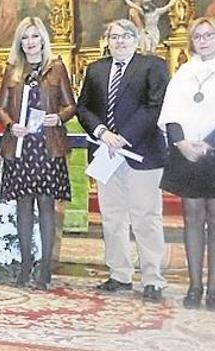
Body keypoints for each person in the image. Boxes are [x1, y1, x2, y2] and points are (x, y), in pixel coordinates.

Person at [158, 17, 215, 311]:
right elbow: (170, 111)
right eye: (198, 36)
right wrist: (183, 144)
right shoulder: (185, 71)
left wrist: (209, 145)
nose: (203, 40)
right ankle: (194, 285)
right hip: (187, 152)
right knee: (191, 217)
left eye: (209, 35)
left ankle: (213, 288)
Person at [77, 19, 169, 302]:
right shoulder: (95, 69)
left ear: (137, 38)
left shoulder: (153, 66)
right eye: (114, 36)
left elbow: (155, 105)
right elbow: (84, 107)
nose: (120, 41)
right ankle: (119, 274)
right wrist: (102, 132)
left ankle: (153, 278)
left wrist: (124, 136)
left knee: (146, 217)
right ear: (107, 40)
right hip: (106, 153)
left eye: (126, 35)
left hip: (142, 152)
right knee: (112, 217)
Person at [0, 17, 76, 290]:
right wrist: (10, 125)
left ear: (43, 40)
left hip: (47, 146)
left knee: (46, 208)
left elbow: (70, 105)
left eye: (34, 37)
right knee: (23, 208)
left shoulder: (56, 68)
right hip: (21, 147)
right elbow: (1, 107)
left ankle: (44, 269)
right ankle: (25, 265)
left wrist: (58, 117)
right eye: (25, 38)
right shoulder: (13, 70)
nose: (30, 42)